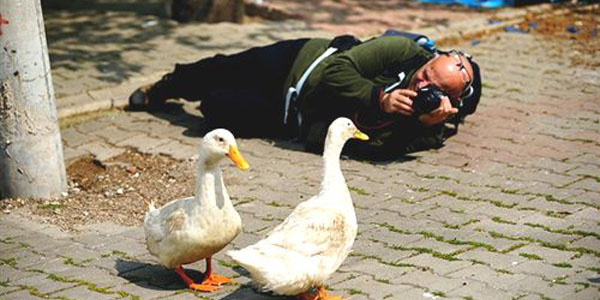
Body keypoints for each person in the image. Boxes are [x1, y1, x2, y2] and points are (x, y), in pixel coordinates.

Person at [129, 34, 481, 158]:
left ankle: (204, 100)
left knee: (217, 106)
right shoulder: (401, 51)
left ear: (450, 100)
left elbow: (378, 148)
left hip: (289, 118)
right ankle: (163, 88)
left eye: (433, 89)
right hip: (300, 64)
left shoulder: (430, 125)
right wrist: (379, 98)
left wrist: (420, 126)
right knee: (221, 68)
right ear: (431, 59)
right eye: (425, 75)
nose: (421, 87)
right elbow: (335, 71)